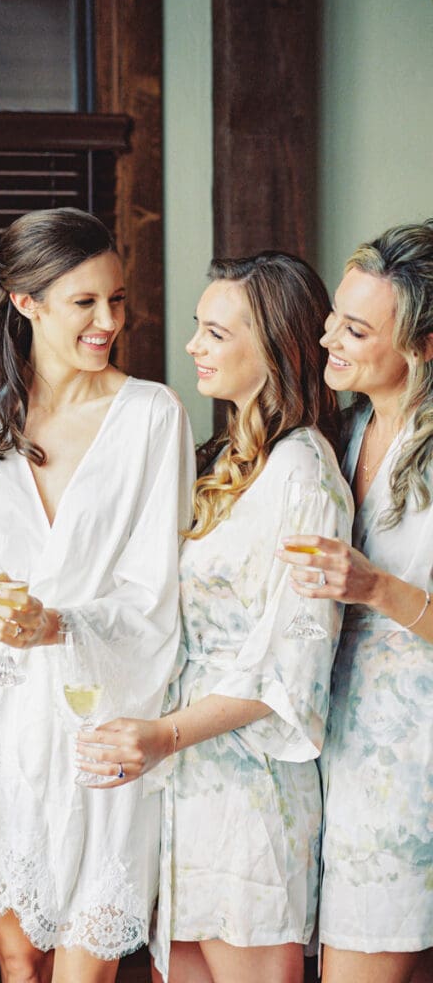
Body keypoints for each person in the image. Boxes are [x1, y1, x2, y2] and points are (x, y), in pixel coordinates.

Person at [0, 207, 195, 983]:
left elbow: (156, 593)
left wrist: (59, 624)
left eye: (116, 299)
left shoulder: (151, 416)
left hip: (99, 723)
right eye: (85, 303)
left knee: (88, 964)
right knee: (17, 960)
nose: (109, 321)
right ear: (25, 301)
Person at [76, 252, 354, 983]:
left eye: (215, 333)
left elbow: (290, 668)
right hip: (186, 780)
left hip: (250, 788)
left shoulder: (303, 473)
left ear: (275, 348)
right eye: (198, 328)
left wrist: (163, 735)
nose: (193, 346)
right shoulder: (225, 459)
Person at [278, 220, 433, 983]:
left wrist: (376, 587)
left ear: (425, 346)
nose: (329, 336)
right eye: (335, 315)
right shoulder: (345, 435)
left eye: (358, 327)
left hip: (412, 770)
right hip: (339, 751)